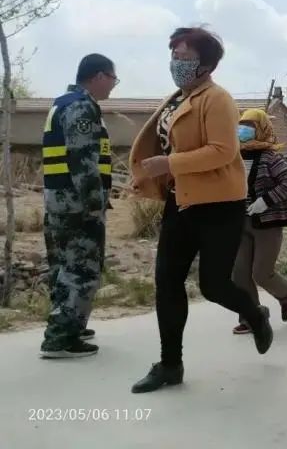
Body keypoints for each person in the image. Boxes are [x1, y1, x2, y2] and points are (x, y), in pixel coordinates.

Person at [129, 27, 273, 394]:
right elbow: (164, 145)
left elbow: (223, 151)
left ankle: (255, 314)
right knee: (167, 282)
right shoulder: (176, 99)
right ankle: (170, 364)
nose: (176, 62)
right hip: (181, 202)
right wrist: (150, 175)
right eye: (174, 55)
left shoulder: (217, 99)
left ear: (206, 65)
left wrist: (170, 164)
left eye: (185, 57)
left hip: (219, 206)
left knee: (213, 285)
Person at [39, 54, 118, 358]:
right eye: (112, 79)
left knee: (63, 267)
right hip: (78, 204)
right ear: (99, 76)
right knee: (82, 269)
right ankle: (60, 338)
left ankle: (70, 322)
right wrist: (95, 203)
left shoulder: (62, 103)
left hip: (59, 201)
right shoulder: (81, 107)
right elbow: (82, 160)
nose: (113, 85)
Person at [231, 109, 287, 334]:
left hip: (267, 224)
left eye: (250, 126)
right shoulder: (234, 156)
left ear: (261, 128)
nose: (243, 130)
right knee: (239, 274)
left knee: (261, 273)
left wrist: (266, 200)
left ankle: (285, 293)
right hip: (240, 222)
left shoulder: (270, 157)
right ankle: (252, 317)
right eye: (241, 124)